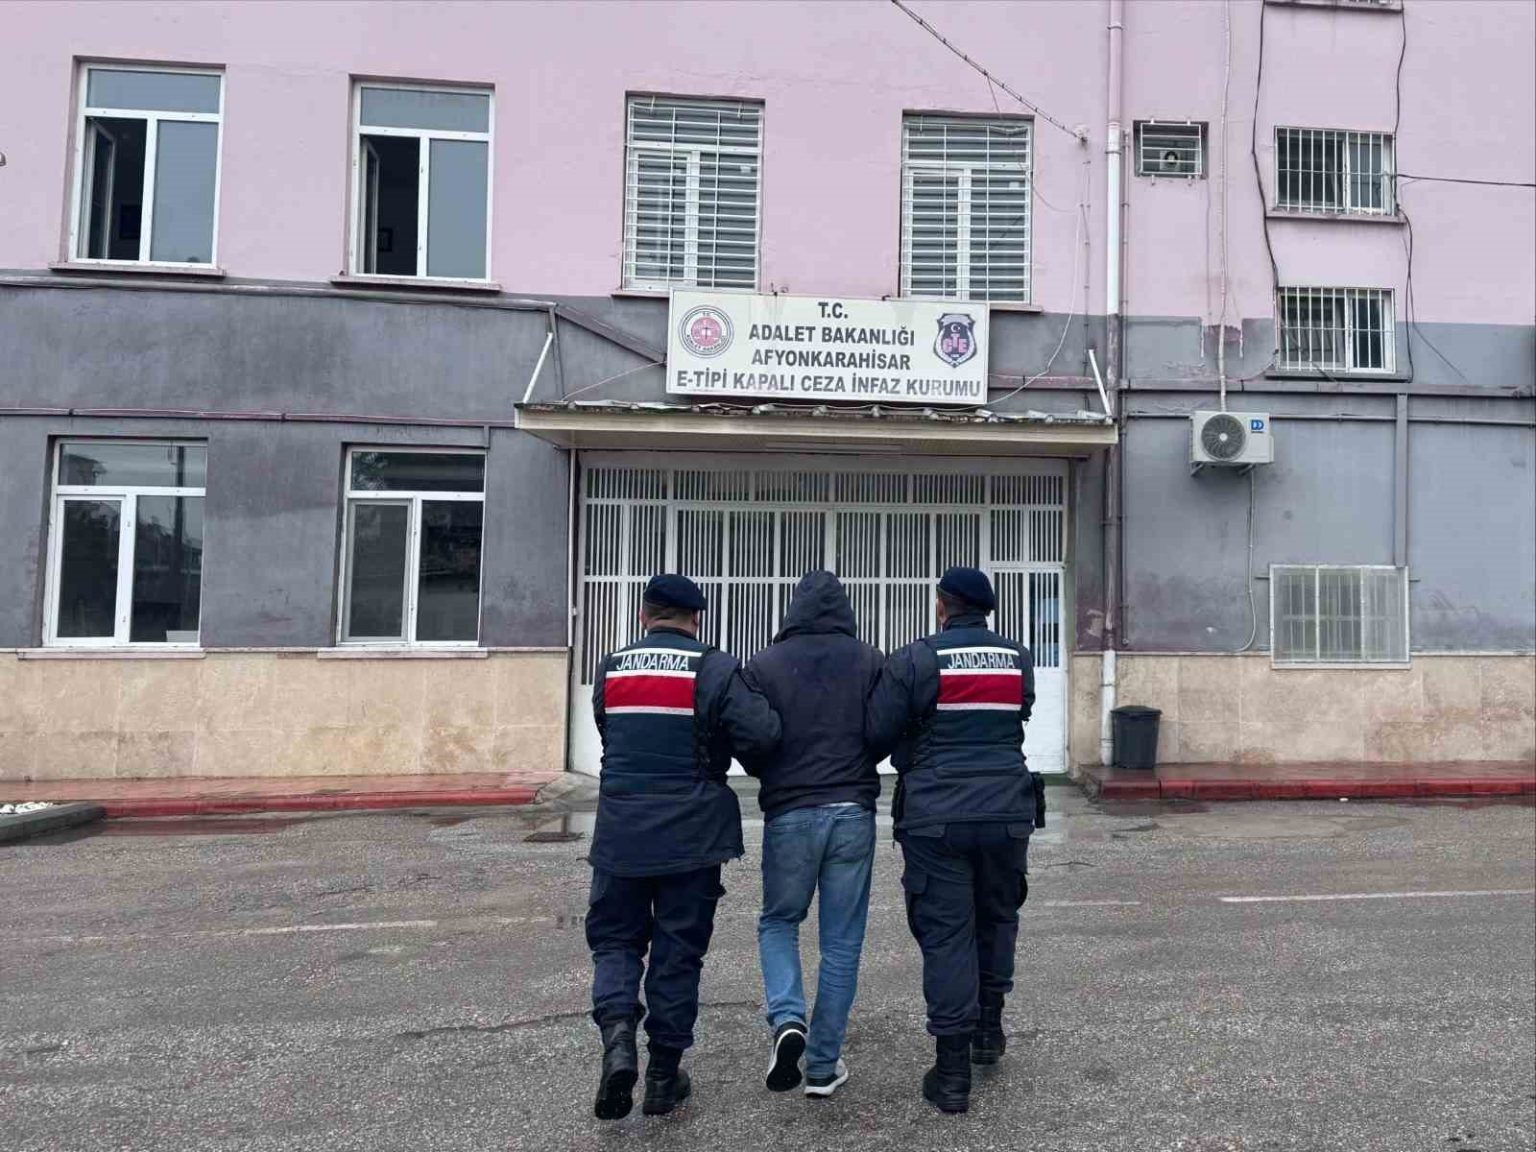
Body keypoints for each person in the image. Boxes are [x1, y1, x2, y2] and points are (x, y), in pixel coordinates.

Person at [585, 573, 781, 1120]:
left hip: (621, 833)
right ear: (696, 618)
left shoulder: (612, 667)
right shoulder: (714, 668)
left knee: (616, 942)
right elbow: (762, 735)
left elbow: (609, 732)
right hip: (691, 838)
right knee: (678, 952)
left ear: (644, 615)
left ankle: (618, 1039)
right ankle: (663, 1077)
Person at [864, 566, 1039, 1114]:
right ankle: (989, 1030)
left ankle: (952, 1073)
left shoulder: (916, 658)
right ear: (985, 609)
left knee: (946, 934)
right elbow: (1018, 717)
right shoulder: (1017, 658)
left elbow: (876, 733)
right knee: (997, 918)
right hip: (1007, 812)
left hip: (936, 816)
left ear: (942, 605)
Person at [742, 571, 884, 1099]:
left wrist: (769, 773)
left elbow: (751, 736)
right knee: (842, 942)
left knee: (779, 921)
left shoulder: (764, 664)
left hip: (790, 811)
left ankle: (787, 1020)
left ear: (793, 609)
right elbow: (883, 729)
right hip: (852, 810)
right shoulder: (870, 660)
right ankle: (822, 1066)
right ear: (844, 609)